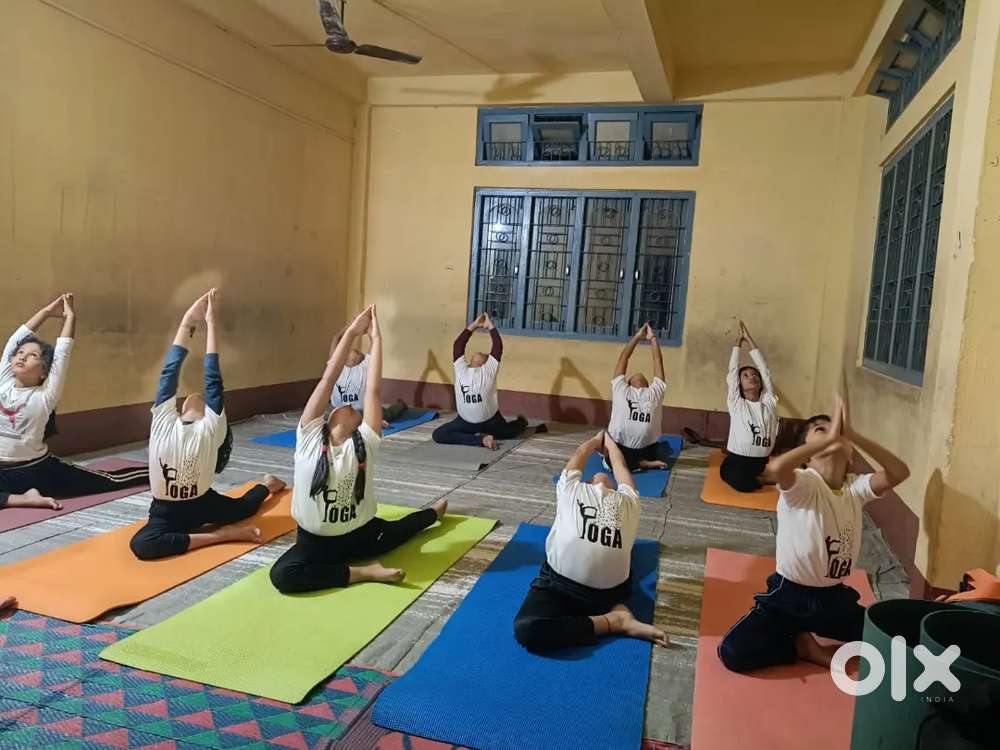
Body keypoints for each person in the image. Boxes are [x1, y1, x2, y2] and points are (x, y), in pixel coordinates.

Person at [717, 394, 910, 672]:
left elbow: (899, 472)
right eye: (821, 429)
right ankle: (800, 646)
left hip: (834, 599)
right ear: (807, 456)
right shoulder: (805, 484)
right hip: (790, 595)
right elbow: (777, 467)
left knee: (893, 637)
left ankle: (804, 637)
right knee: (732, 652)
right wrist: (831, 439)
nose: (834, 434)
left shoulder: (855, 489)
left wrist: (855, 435)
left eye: (838, 432)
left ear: (850, 453)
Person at [270, 305, 447, 593]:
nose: (351, 404)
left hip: (363, 536)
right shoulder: (309, 437)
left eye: (355, 408)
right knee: (281, 576)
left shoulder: (365, 442)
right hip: (316, 544)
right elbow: (328, 378)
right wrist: (352, 332)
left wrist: (377, 340)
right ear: (328, 418)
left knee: (401, 530)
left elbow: (373, 391)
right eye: (344, 406)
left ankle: (432, 515)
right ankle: (363, 572)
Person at [129, 290, 285, 560]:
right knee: (141, 546)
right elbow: (169, 371)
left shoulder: (211, 428)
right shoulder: (164, 422)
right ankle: (221, 536)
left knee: (245, 507)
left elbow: (213, 378)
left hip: (202, 504)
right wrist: (188, 321)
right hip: (166, 511)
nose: (197, 395)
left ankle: (267, 485)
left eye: (203, 398)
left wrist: (212, 324)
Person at [513, 430, 669, 654]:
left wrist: (599, 441)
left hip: (603, 593)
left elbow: (602, 461)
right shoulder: (575, 491)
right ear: (586, 484)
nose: (599, 479)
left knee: (529, 629)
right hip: (571, 590)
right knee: (529, 630)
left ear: (615, 488)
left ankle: (616, 616)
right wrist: (606, 444)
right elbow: (616, 466)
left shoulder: (626, 500)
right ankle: (614, 621)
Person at [0, 294, 148, 511]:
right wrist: (45, 313)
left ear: (44, 372)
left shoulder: (45, 394)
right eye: (20, 353)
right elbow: (15, 339)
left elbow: (63, 351)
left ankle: (156, 471)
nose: (22, 356)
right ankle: (24, 498)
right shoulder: (4, 382)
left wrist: (69, 317)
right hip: (2, 472)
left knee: (111, 480)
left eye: (32, 356)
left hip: (36, 469)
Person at [431, 313, 534, 450]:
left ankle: (514, 425)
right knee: (438, 435)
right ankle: (483, 439)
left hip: (482, 422)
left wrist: (480, 326)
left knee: (511, 430)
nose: (479, 353)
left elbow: (462, 345)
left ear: (485, 363)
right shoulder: (464, 369)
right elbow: (462, 345)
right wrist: (483, 326)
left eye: (482, 355)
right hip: (476, 422)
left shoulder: (484, 371)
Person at [719, 320, 779, 492]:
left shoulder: (769, 402)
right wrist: (738, 343)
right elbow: (732, 371)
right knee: (737, 480)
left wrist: (749, 339)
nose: (752, 377)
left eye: (754, 375)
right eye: (745, 376)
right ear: (739, 384)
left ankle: (763, 476)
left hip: (760, 462)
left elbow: (765, 371)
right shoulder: (737, 403)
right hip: (738, 461)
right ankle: (764, 479)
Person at [606, 323, 669, 472]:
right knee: (606, 442)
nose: (639, 375)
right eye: (635, 377)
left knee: (609, 452)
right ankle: (644, 463)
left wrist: (646, 338)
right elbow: (625, 358)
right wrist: (643, 338)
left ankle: (639, 463)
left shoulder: (653, 393)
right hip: (627, 449)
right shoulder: (623, 391)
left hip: (643, 450)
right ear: (629, 384)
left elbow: (655, 361)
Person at [328, 325, 408, 427]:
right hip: (340, 410)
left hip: (363, 411)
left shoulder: (366, 365)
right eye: (351, 353)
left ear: (362, 358)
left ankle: (401, 405)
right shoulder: (336, 366)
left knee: (389, 413)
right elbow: (336, 337)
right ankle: (369, 422)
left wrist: (368, 326)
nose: (354, 353)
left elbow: (374, 340)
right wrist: (352, 326)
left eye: (357, 353)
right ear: (344, 358)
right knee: (333, 417)